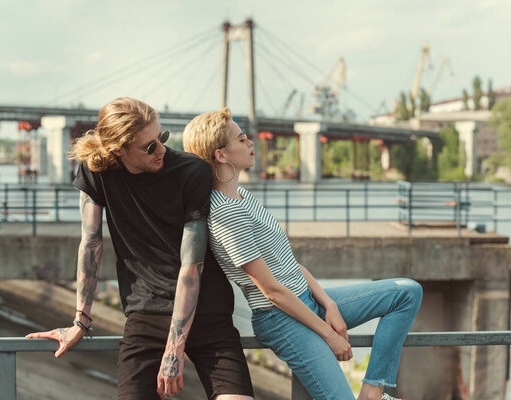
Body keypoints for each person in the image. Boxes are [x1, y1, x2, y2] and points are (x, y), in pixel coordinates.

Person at [182, 108, 423, 400]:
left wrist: (329, 303)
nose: (251, 143)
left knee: (406, 292)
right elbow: (272, 291)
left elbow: (288, 262)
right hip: (281, 318)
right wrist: (329, 334)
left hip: (308, 303)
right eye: (242, 139)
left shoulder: (244, 197)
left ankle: (373, 390)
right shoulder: (226, 213)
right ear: (221, 155)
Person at [26, 98, 255, 400]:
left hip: (206, 310)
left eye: (162, 138)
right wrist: (81, 320)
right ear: (118, 150)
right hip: (145, 313)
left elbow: (192, 265)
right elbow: (92, 242)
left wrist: (175, 349)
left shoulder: (192, 171)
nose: (161, 150)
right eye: (149, 147)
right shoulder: (97, 171)